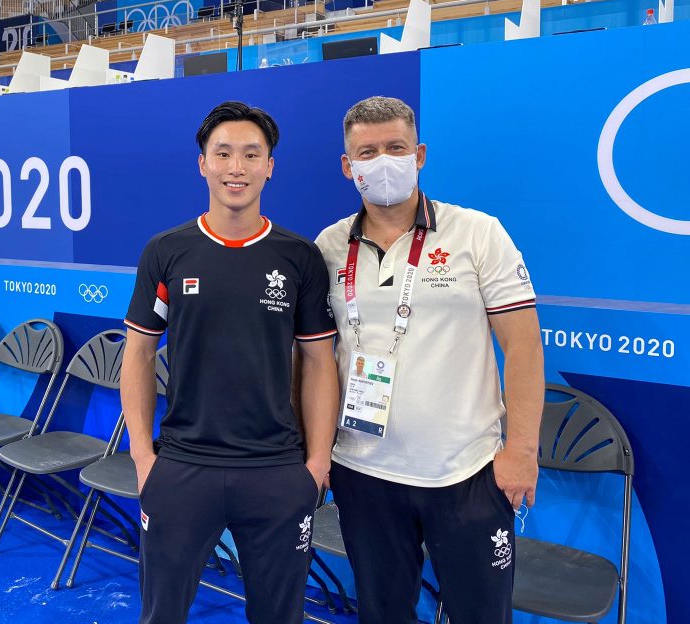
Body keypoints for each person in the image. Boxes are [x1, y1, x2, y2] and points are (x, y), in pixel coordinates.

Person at [314, 96, 544, 624]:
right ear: (348, 167)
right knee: (382, 613)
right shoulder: (327, 247)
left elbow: (524, 346)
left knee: (481, 614)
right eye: (366, 152)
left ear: (419, 155)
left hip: (465, 473)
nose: (382, 162)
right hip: (362, 470)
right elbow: (315, 360)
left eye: (395, 148)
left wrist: (522, 449)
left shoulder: (477, 233)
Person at [120, 100, 340, 624]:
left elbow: (318, 363)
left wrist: (316, 464)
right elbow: (139, 353)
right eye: (223, 154)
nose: (235, 167)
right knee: (161, 614)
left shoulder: (298, 256)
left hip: (277, 471)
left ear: (270, 165)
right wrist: (143, 457)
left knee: (278, 616)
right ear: (203, 164)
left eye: (250, 154)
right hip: (181, 468)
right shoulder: (165, 251)